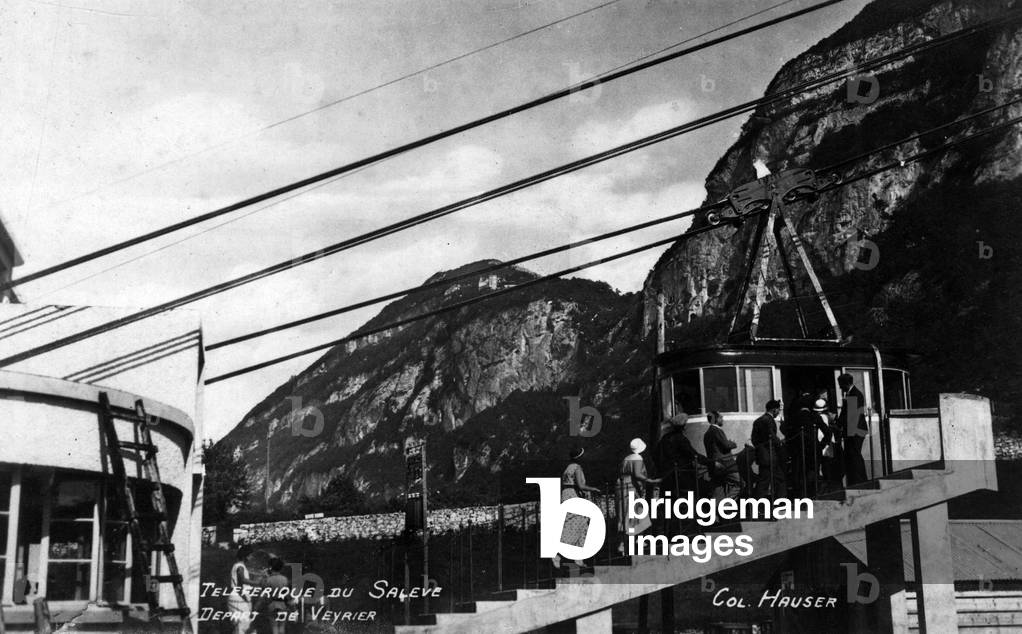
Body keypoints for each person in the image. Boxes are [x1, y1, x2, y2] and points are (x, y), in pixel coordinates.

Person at [656, 413, 718, 533]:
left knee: (669, 508)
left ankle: (669, 534)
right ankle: (690, 531)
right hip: (682, 478)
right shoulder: (681, 439)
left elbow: (658, 457)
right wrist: (712, 463)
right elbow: (693, 454)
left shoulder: (664, 439)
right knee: (688, 504)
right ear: (684, 427)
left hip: (667, 479)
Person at [553, 445, 602, 569]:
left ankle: (578, 557)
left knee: (576, 523)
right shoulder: (577, 468)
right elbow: (581, 485)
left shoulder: (568, 467)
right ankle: (558, 553)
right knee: (576, 524)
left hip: (566, 494)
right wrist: (593, 489)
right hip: (573, 494)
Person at [616, 438, 661, 552]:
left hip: (621, 487)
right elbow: (637, 474)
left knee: (625, 515)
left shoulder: (626, 458)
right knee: (639, 514)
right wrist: (649, 480)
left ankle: (624, 543)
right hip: (630, 488)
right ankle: (634, 540)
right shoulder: (637, 458)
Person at [751, 400, 787, 500]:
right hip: (771, 456)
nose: (778, 412)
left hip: (762, 457)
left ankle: (757, 505)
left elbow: (754, 439)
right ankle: (781, 503)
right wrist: (779, 442)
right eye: (778, 410)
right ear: (774, 410)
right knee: (778, 480)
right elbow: (771, 436)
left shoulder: (758, 421)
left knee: (764, 481)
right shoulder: (769, 420)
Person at [837, 373, 869, 485]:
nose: (840, 388)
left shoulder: (854, 395)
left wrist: (838, 422)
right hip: (855, 430)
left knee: (854, 455)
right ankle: (859, 480)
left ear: (846, 384)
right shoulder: (852, 393)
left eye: (841, 385)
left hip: (855, 431)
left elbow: (849, 416)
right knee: (854, 455)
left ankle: (860, 481)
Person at [703, 411, 741, 501]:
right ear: (716, 419)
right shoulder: (717, 430)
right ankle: (726, 505)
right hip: (725, 464)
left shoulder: (707, 433)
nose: (722, 419)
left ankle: (716, 512)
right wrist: (733, 443)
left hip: (714, 466)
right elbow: (726, 445)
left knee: (718, 490)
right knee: (739, 483)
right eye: (721, 417)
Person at [228, 545, 262, 634]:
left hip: (240, 597)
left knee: (243, 626)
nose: (251, 557)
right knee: (242, 626)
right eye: (250, 555)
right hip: (239, 598)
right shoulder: (240, 566)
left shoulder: (239, 566)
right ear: (245, 556)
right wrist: (258, 583)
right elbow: (242, 580)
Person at [263, 557, 290, 634]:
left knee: (274, 627)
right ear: (281, 568)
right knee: (282, 627)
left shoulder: (269, 580)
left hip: (272, 605)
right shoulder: (284, 579)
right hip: (282, 604)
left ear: (271, 568)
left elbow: (265, 594)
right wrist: (293, 608)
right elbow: (287, 594)